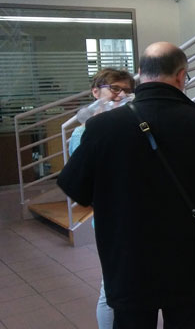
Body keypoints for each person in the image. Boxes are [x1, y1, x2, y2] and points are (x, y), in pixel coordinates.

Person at [57, 42, 195, 329]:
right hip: (190, 257)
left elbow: (76, 188)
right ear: (181, 75)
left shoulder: (102, 127)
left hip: (127, 256)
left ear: (140, 74)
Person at [67, 68, 135, 329]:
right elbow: (86, 186)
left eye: (127, 91)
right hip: (112, 222)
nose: (120, 96)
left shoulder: (132, 125)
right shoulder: (83, 133)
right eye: (114, 89)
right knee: (111, 291)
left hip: (140, 218)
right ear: (96, 92)